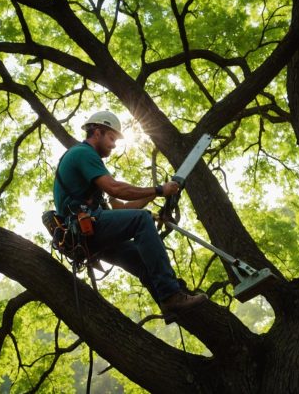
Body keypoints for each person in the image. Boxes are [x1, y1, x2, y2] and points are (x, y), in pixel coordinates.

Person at [53, 110, 207, 315]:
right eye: (111, 138)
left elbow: (122, 209)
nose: (114, 144)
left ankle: (170, 305)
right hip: (85, 228)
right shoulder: (83, 153)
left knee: (141, 259)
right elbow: (116, 189)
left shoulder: (89, 167)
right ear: (97, 132)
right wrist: (160, 190)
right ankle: (171, 295)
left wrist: (156, 194)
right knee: (142, 220)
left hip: (91, 234)